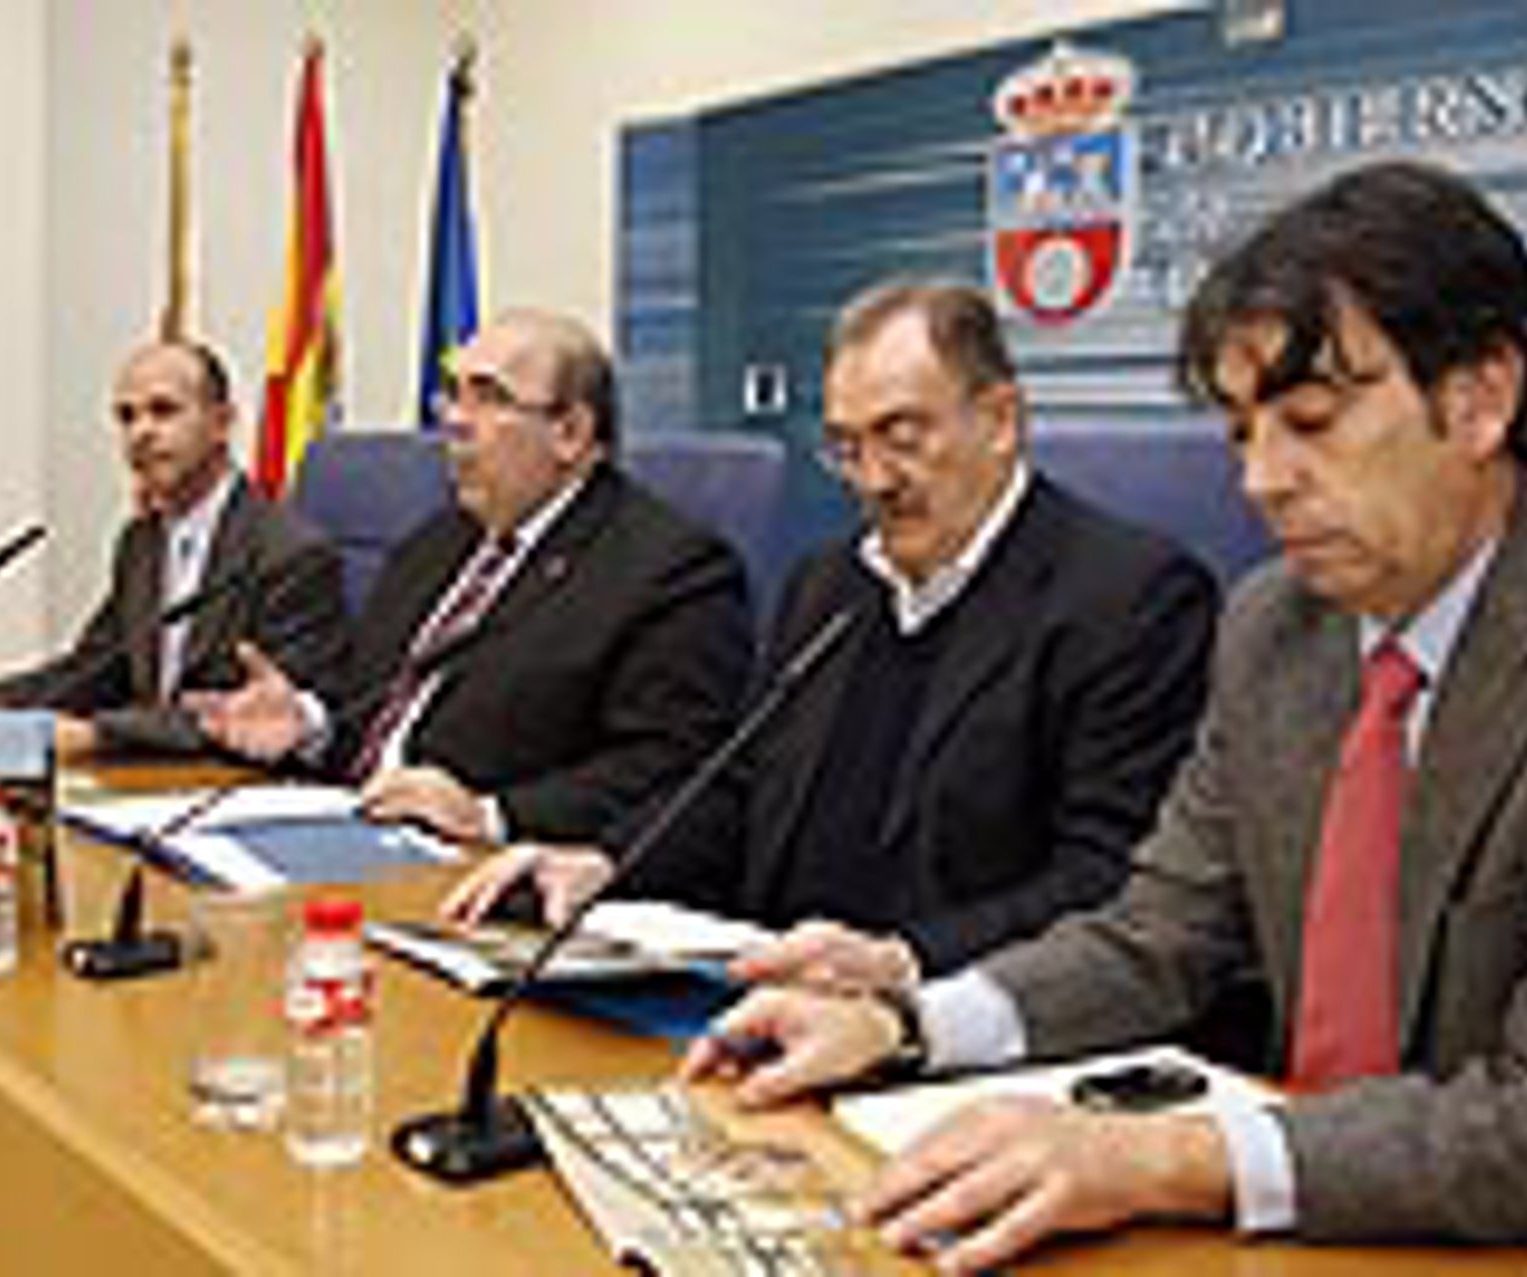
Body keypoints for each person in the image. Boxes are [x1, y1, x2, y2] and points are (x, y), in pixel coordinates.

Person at [680, 159, 1527, 1269]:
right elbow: (1159, 934)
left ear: (1481, 397)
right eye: (1244, 432)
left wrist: (1160, 1158)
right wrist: (904, 1023)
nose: (1262, 481)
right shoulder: (1276, 625)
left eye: (1311, 421)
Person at [443, 280, 1217, 983]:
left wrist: (901, 962)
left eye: (903, 436)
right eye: (847, 447)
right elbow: (738, 789)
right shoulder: (831, 585)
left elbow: (1106, 882)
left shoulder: (1127, 597)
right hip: (770, 990)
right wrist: (604, 864)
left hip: (957, 1023)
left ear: (1000, 420)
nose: (874, 479)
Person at [189, 308, 752, 845]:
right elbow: (376, 702)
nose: (455, 421)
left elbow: (671, 772)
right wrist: (308, 726)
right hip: (350, 831)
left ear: (571, 433)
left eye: (489, 397)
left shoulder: (667, 570)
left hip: (485, 868)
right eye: (453, 395)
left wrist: (491, 815)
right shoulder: (436, 543)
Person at [0, 341, 349, 759]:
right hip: (150, 776)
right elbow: (96, 666)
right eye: (126, 417)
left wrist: (97, 735)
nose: (140, 433)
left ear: (222, 423)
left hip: (240, 781)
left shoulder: (290, 552)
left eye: (163, 411)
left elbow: (265, 718)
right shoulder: (140, 542)